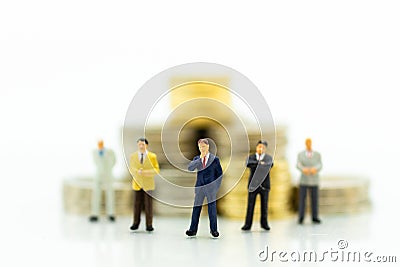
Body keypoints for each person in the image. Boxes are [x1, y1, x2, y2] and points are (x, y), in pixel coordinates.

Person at [186, 138, 223, 238]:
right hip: (200, 187)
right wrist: (199, 159)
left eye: (203, 146)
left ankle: (214, 230)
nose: (202, 148)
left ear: (208, 147)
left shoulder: (215, 159)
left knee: (212, 209)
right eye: (200, 147)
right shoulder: (197, 159)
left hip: (211, 188)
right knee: (196, 208)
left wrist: (216, 187)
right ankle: (192, 229)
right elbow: (190, 168)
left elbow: (219, 174)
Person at [241, 140, 273, 231]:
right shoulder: (251, 157)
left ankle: (264, 223)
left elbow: (269, 165)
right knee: (250, 206)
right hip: (253, 186)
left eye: (263, 147)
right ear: (256, 147)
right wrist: (260, 164)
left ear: (265, 149)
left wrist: (258, 165)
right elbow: (248, 164)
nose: (260, 149)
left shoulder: (268, 158)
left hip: (264, 185)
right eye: (259, 147)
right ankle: (247, 224)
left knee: (264, 206)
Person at [129, 137, 160, 231]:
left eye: (143, 144)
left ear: (146, 145)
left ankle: (149, 224)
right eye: (139, 144)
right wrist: (137, 171)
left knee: (148, 205)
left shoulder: (152, 156)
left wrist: (146, 172)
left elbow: (156, 170)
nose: (141, 146)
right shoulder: (133, 156)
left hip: (148, 184)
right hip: (137, 184)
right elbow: (131, 168)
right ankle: (135, 223)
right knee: (136, 204)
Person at [296, 138, 322, 224]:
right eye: (307, 143)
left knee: (314, 199)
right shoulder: (301, 154)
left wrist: (315, 169)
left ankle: (315, 217)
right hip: (304, 180)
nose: (309, 144)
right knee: (302, 199)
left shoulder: (317, 154)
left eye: (310, 143)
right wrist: (303, 169)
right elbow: (298, 164)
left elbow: (320, 164)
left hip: (314, 180)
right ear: (305, 144)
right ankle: (301, 217)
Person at [89, 140, 116, 222]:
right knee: (96, 194)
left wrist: (108, 169)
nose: (100, 145)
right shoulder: (94, 152)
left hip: (108, 175)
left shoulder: (110, 152)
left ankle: (111, 213)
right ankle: (95, 214)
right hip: (98, 176)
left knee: (110, 194)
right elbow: (96, 162)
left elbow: (114, 161)